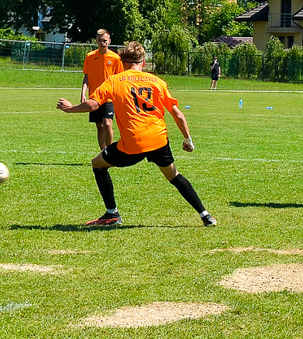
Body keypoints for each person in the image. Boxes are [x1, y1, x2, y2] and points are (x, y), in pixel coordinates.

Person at [57, 41, 217, 228]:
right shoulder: (157, 82)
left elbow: (93, 104)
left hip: (133, 142)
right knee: (174, 175)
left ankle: (112, 214)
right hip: (158, 139)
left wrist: (70, 109)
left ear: (123, 63)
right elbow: (177, 114)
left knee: (97, 164)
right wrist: (187, 139)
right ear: (143, 61)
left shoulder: (115, 81)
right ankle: (206, 216)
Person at [81, 29, 123, 150]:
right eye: (99, 40)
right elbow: (86, 77)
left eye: (104, 40)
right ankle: (103, 153)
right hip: (94, 97)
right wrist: (83, 93)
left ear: (109, 41)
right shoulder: (90, 57)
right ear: (96, 41)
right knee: (99, 126)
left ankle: (110, 153)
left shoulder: (116, 58)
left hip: (109, 97)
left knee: (108, 124)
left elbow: (119, 79)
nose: (102, 43)